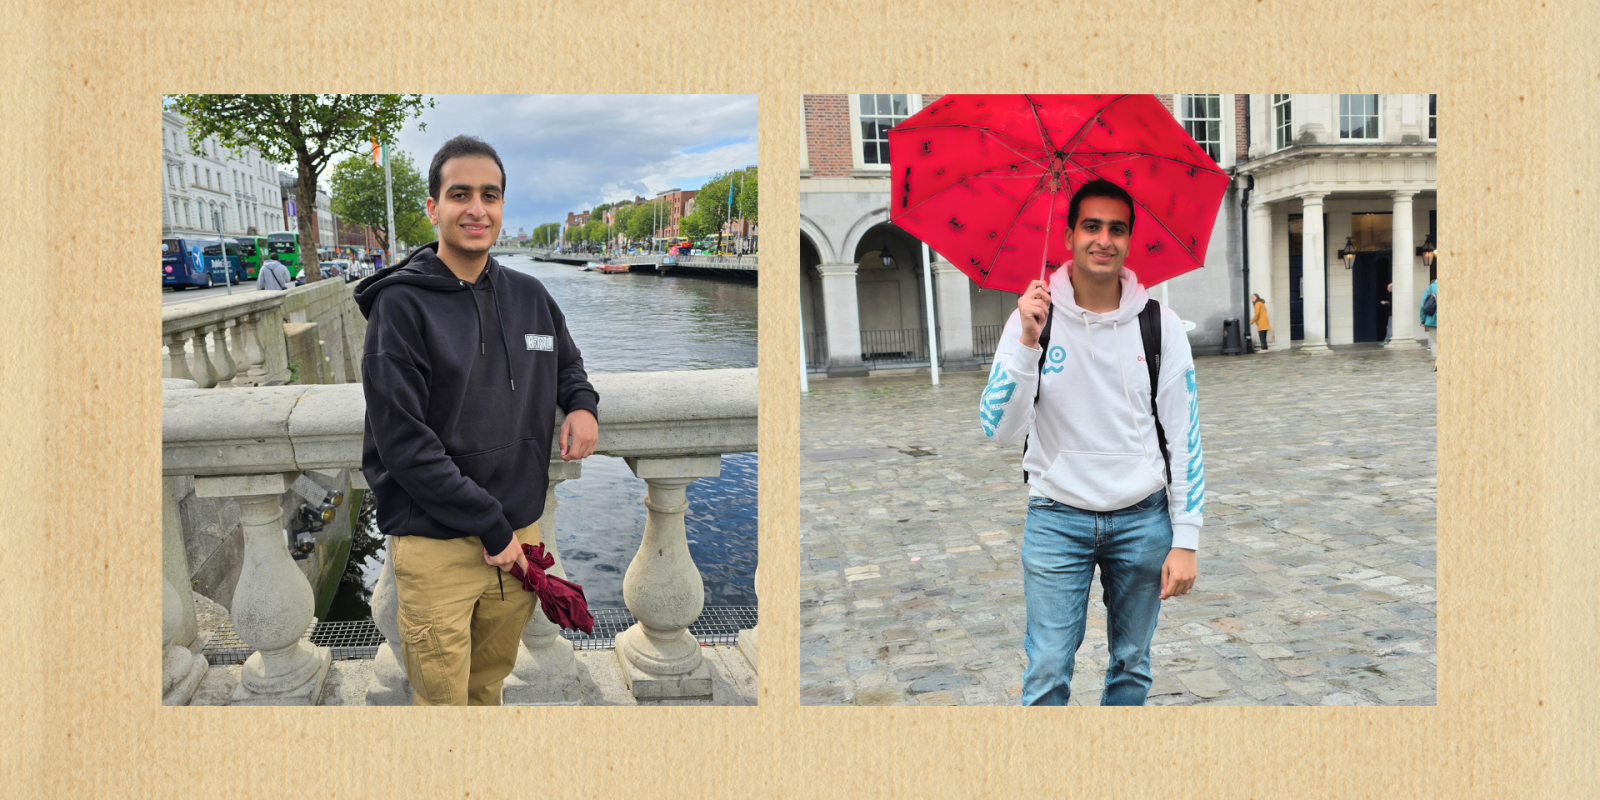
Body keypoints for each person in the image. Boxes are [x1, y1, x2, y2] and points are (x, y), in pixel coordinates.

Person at [355, 135, 600, 706]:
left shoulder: (530, 295)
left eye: (489, 195)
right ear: (433, 208)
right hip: (439, 545)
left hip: (519, 541)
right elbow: (404, 444)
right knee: (442, 704)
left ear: (502, 208)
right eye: (459, 194)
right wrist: (493, 527)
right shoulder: (400, 308)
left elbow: (567, 363)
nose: (476, 209)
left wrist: (583, 404)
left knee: (487, 689)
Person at [978, 178, 1203, 707]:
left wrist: (1186, 538)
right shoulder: (1030, 319)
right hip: (1057, 518)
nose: (1104, 239)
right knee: (1049, 669)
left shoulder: (1160, 326)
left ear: (1129, 241)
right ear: (1069, 236)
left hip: (1141, 519)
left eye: (1117, 229)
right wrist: (1028, 345)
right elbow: (998, 429)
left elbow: (1185, 437)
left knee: (1131, 667)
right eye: (1092, 226)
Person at [1420, 276, 1438, 371]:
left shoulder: (1430, 288)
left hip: (1433, 320)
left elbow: (1423, 306)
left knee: (1434, 342)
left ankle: (1437, 362)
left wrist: (1422, 320)